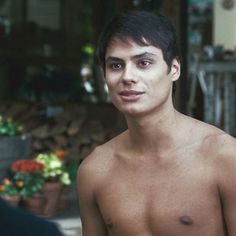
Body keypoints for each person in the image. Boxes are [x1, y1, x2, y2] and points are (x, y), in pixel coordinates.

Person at [77, 10, 236, 236]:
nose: (127, 76)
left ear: (174, 69)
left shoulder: (224, 157)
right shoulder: (95, 170)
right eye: (115, 65)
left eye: (143, 63)